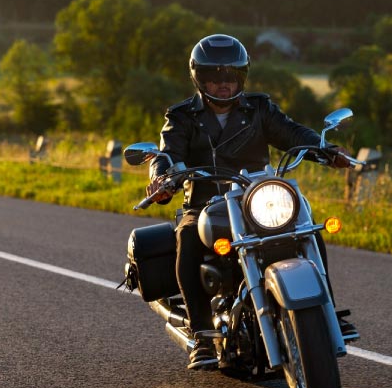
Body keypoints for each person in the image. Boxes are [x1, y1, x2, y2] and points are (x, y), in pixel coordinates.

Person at [147, 34, 351, 370]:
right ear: (199, 77)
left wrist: (326, 152)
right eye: (215, 77)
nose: (224, 85)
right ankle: (201, 335)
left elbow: (293, 134)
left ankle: (324, 310)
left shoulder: (259, 108)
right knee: (186, 237)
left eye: (231, 77)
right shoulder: (182, 116)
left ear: (242, 76)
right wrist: (162, 178)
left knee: (307, 226)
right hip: (205, 203)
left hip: (257, 197)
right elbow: (167, 153)